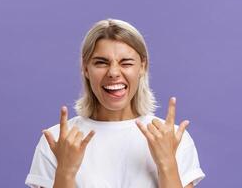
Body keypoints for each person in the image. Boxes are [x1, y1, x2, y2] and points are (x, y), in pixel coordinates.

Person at [25, 19, 205, 188]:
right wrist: (65, 172)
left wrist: (167, 164)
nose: (113, 72)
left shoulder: (171, 138)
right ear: (85, 68)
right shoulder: (59, 141)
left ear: (142, 67)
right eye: (101, 63)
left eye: (126, 63)